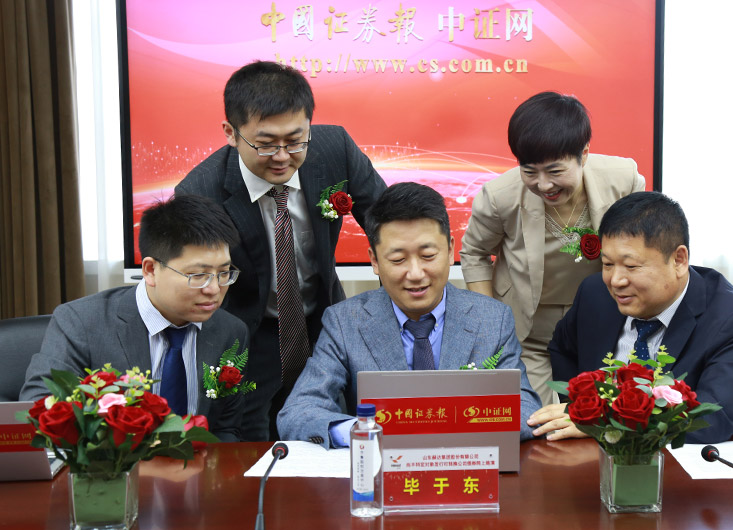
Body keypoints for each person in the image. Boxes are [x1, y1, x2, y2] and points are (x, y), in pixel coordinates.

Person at [175, 61, 387, 441]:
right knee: (253, 438)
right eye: (266, 143)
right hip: (246, 332)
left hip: (322, 322)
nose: (282, 156)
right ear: (231, 133)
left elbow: (388, 222)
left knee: (334, 429)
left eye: (295, 140)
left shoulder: (334, 148)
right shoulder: (201, 193)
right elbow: (198, 285)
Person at [277, 182, 541, 447]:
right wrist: (362, 431)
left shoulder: (492, 318)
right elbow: (298, 412)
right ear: (374, 261)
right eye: (398, 260)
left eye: (428, 255)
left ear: (450, 250)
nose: (415, 274)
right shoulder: (345, 322)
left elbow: (526, 408)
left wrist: (448, 425)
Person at [529, 192, 733, 444]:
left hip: (695, 461)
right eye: (607, 264)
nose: (616, 281)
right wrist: (580, 408)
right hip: (595, 457)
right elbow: (563, 348)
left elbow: (713, 418)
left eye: (631, 266)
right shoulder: (594, 294)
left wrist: (601, 419)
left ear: (679, 260)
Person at [460, 92, 645, 406]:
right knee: (539, 418)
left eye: (556, 171)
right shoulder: (500, 197)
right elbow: (474, 252)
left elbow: (641, 246)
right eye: (530, 171)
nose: (544, 185)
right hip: (530, 331)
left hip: (601, 320)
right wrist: (491, 321)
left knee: (604, 413)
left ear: (583, 154)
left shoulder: (622, 179)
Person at [20, 195, 248, 441]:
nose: (213, 289)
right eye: (198, 275)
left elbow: (227, 428)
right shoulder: (81, 323)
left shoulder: (230, 331)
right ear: (150, 270)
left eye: (224, 273)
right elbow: (41, 407)